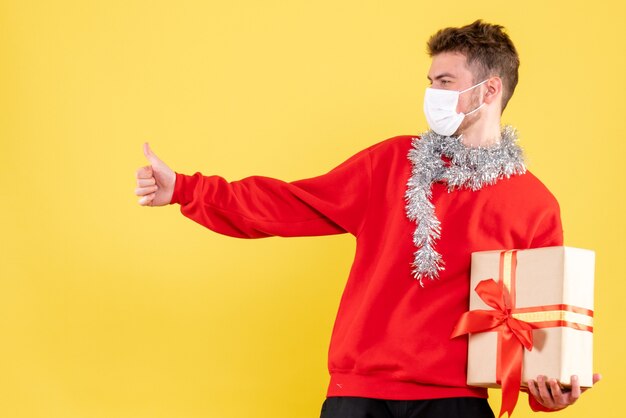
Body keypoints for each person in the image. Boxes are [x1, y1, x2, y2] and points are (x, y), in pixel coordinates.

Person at [134, 20, 599, 418]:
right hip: (357, 396)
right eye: (430, 81)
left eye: (444, 81)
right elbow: (293, 203)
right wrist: (186, 189)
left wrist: (551, 391)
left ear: (490, 89)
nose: (431, 93)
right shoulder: (392, 162)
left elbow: (541, 327)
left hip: (455, 402)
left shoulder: (535, 203)